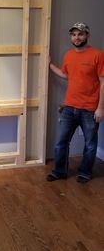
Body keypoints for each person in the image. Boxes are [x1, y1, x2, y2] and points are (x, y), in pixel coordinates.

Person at [47, 22, 104, 183]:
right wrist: (50, 65)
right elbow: (66, 75)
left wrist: (101, 108)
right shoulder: (69, 55)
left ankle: (85, 172)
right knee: (61, 142)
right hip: (69, 107)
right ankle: (60, 171)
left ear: (87, 35)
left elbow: (103, 81)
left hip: (90, 109)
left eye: (80, 34)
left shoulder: (98, 55)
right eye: (73, 34)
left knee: (90, 144)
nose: (76, 37)